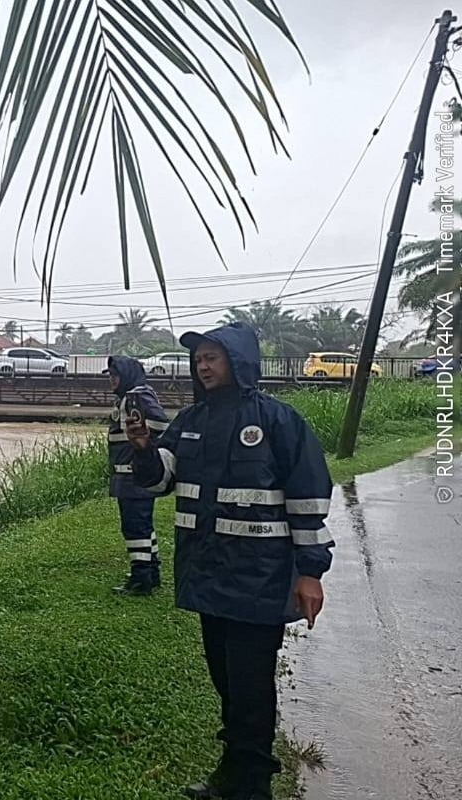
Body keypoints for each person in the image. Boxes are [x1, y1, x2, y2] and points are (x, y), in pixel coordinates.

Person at [125, 323, 333, 800]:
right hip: (207, 576)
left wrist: (310, 573)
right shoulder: (189, 421)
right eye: (198, 359)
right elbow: (160, 481)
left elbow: (307, 499)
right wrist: (144, 450)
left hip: (259, 580)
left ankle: (252, 783)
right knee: (225, 680)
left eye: (212, 357)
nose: (203, 366)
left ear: (238, 361)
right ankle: (233, 771)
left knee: (250, 686)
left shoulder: (278, 421)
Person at [105, 356, 169, 595]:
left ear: (127, 375)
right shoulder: (130, 396)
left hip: (133, 475)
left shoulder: (136, 396)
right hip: (130, 475)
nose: (112, 380)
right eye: (110, 375)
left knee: (135, 527)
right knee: (142, 525)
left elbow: (161, 423)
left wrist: (143, 438)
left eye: (115, 375)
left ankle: (141, 578)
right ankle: (150, 572)